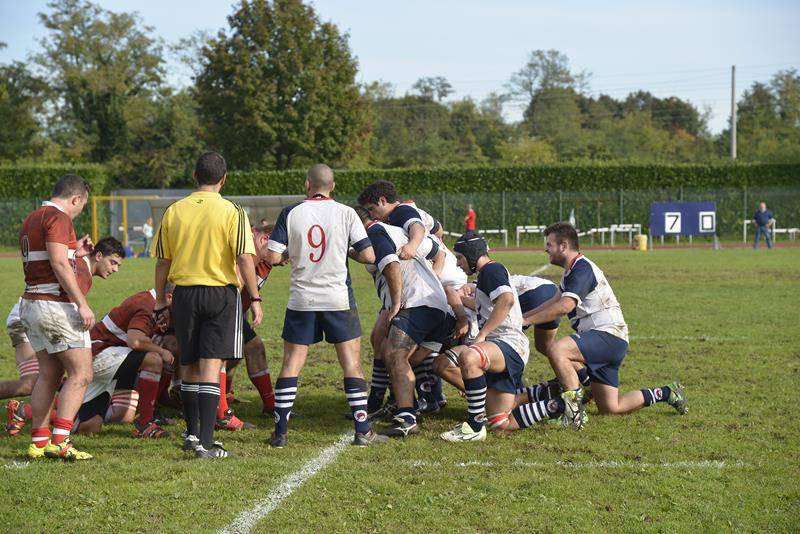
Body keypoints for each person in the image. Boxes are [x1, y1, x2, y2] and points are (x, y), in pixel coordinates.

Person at [522, 222, 687, 430]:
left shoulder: (582, 268)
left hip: (607, 336)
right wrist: (521, 317)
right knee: (611, 407)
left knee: (557, 350)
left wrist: (526, 321)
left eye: (549, 244)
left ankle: (574, 413)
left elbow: (564, 306)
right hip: (611, 341)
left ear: (563, 246)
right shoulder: (571, 272)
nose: (546, 249)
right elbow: (553, 301)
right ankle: (667, 392)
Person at [151, 151, 262, 460]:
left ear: (194, 177)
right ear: (223, 179)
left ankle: (190, 433)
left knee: (188, 364)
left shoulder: (174, 210)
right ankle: (207, 443)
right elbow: (244, 258)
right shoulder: (233, 211)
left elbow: (163, 261)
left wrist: (161, 299)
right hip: (220, 294)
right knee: (212, 366)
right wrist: (254, 297)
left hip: (184, 294)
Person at [266, 164, 384, 448]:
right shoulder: (346, 213)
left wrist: (289, 256)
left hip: (302, 299)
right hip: (337, 299)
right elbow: (369, 255)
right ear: (333, 186)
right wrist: (344, 249)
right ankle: (362, 430)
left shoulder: (291, 212)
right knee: (351, 364)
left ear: (308, 184)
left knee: (291, 364)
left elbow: (271, 256)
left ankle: (280, 433)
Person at [5, 237, 126, 435]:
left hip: (30, 312)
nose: (115, 269)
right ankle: (56, 434)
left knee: (47, 376)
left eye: (118, 265)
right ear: (98, 255)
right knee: (40, 380)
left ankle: (33, 422)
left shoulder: (81, 266)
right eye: (113, 262)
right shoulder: (83, 271)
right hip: (30, 316)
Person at [19, 174, 98, 460]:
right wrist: (83, 304)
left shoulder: (32, 217)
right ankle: (61, 440)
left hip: (31, 303)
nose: (79, 212)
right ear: (75, 198)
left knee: (49, 374)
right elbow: (58, 262)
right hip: (55, 305)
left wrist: (77, 250)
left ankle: (38, 441)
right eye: (82, 206)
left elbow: (50, 257)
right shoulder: (59, 217)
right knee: (81, 373)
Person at [354, 205, 450, 437]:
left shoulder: (375, 232)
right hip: (437, 305)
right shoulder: (394, 232)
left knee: (394, 354)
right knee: (406, 357)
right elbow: (437, 249)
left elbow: (391, 264)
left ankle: (407, 416)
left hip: (417, 303)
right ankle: (408, 403)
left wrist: (396, 302)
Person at [439, 232, 533, 442]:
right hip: (503, 347)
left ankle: (474, 426)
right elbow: (489, 306)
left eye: (460, 258)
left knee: (470, 357)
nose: (459, 264)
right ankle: (554, 400)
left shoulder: (491, 269)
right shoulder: (487, 274)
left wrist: (482, 334)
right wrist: (462, 301)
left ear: (472, 255)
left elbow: (506, 300)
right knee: (500, 422)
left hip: (508, 343)